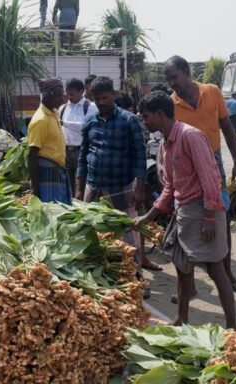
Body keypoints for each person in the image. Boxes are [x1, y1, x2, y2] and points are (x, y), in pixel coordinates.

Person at [136, 91, 236, 329]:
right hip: (184, 211)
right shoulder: (165, 144)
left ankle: (232, 327)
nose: (145, 121)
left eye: (147, 116)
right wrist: (149, 216)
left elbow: (211, 179)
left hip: (203, 209)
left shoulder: (191, 136)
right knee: (182, 267)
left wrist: (210, 216)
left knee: (216, 268)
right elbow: (170, 186)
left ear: (160, 114)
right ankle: (181, 319)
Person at [163, 55, 236, 299]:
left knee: (220, 217)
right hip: (187, 167)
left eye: (175, 77)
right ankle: (189, 286)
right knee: (186, 222)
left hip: (214, 161)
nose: (172, 83)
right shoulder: (171, 104)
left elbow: (227, 128)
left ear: (186, 71)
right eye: (168, 79)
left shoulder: (212, 92)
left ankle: (229, 276)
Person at [76, 76, 147, 283]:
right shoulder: (90, 122)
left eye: (105, 98)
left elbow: (140, 156)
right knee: (88, 229)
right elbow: (83, 155)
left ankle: (135, 277)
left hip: (121, 185)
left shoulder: (129, 120)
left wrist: (140, 189)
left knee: (127, 232)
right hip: (94, 184)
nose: (101, 103)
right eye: (96, 99)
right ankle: (99, 275)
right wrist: (80, 188)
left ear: (113, 95)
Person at [27, 78, 72, 204]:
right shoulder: (40, 120)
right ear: (47, 96)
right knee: (51, 212)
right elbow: (32, 156)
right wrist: (36, 190)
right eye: (58, 96)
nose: (62, 100)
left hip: (57, 170)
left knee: (60, 211)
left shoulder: (54, 113)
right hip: (47, 171)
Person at [58, 78, 98, 197]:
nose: (69, 97)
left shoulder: (90, 107)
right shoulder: (63, 108)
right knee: (67, 183)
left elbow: (85, 127)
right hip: (65, 151)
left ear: (82, 91)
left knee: (83, 184)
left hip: (82, 151)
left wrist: (65, 123)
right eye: (67, 93)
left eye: (72, 94)